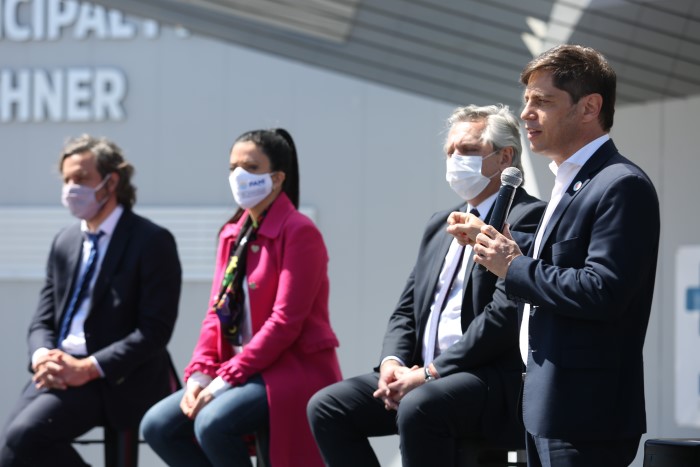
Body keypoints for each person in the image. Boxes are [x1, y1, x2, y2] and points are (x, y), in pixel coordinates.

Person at [307, 104, 546, 467]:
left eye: (466, 150)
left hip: (483, 378)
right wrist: (393, 363)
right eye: (450, 151)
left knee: (420, 407)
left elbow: (504, 315)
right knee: (327, 408)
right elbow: (407, 308)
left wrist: (429, 373)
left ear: (505, 158)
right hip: (420, 372)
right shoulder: (441, 224)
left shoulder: (527, 217)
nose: (454, 160)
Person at [464, 45, 660, 467]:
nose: (526, 114)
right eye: (526, 101)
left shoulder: (620, 185)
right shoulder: (568, 183)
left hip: (585, 414)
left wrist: (513, 265)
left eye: (543, 101)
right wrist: (506, 259)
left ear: (589, 107)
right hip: (545, 405)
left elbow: (603, 290)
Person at [141, 128, 341, 467]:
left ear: (277, 178)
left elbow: (285, 322)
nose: (238, 176)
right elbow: (214, 314)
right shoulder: (232, 234)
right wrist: (200, 376)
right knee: (158, 426)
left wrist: (225, 380)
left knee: (213, 422)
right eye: (233, 167)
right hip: (238, 371)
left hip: (290, 370)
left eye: (250, 167)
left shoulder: (299, 231)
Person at [0, 135, 182, 467]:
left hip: (114, 378)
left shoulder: (152, 241)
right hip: (58, 371)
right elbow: (42, 320)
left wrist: (87, 368)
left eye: (81, 178)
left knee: (25, 439)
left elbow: (154, 331)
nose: (72, 188)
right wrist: (43, 358)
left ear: (111, 182)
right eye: (67, 179)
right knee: (8, 449)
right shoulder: (65, 241)